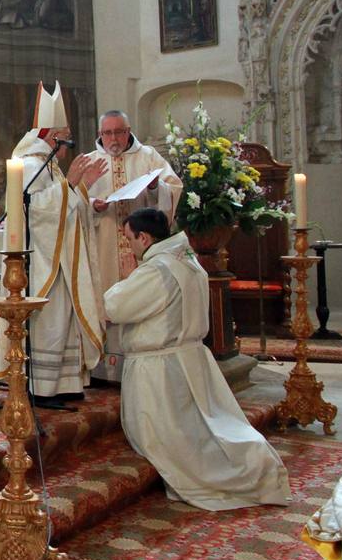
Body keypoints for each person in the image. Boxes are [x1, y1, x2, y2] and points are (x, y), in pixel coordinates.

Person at [105, 208, 291, 509]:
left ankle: (237, 474)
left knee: (174, 440)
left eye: (130, 240)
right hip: (188, 358)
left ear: (144, 237)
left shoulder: (156, 270)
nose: (130, 247)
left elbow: (116, 307)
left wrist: (125, 278)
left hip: (161, 369)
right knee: (205, 426)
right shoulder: (188, 261)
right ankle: (251, 465)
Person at [6, 81, 106, 406]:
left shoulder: (48, 166)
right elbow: (36, 212)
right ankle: (44, 388)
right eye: (65, 136)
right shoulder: (32, 166)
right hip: (43, 262)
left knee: (63, 319)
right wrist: (73, 185)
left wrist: (79, 188)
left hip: (60, 258)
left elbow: (63, 206)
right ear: (52, 137)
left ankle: (64, 384)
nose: (68, 144)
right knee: (51, 320)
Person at [84, 110, 183, 382]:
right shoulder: (90, 162)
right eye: (107, 133)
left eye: (118, 132)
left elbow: (173, 189)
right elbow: (73, 199)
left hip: (141, 245)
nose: (113, 139)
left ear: (128, 131)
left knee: (141, 298)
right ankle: (106, 371)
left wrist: (154, 188)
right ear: (100, 134)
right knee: (106, 299)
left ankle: (141, 367)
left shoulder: (149, 157)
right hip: (104, 244)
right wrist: (93, 203)